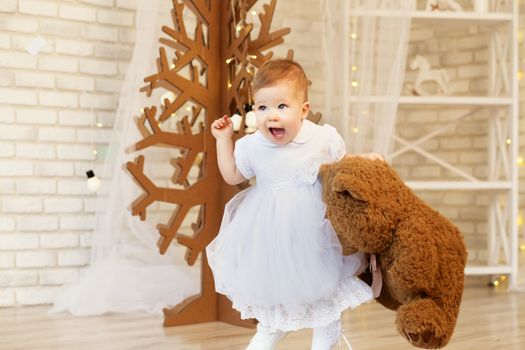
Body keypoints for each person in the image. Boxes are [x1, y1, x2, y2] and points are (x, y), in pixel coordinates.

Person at [206, 59, 379, 350]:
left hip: (315, 231)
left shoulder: (322, 138)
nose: (271, 116)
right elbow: (232, 175)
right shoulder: (252, 146)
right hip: (269, 233)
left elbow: (342, 169)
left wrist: (366, 162)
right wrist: (223, 140)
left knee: (324, 283)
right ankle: (272, 328)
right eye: (262, 108)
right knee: (275, 287)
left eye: (281, 107)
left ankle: (326, 334)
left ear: (304, 110)